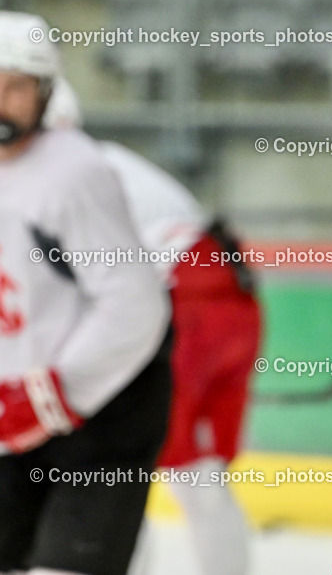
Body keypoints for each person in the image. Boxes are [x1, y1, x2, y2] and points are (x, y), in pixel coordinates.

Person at [44, 93, 260, 575]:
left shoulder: (64, 178)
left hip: (183, 307)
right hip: (229, 300)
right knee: (197, 472)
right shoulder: (111, 162)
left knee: (119, 462)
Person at [0, 11, 171, 575]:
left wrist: (52, 394)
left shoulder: (72, 172)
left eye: (15, 86)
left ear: (45, 93)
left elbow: (135, 305)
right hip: (19, 414)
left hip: (101, 414)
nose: (0, 100)